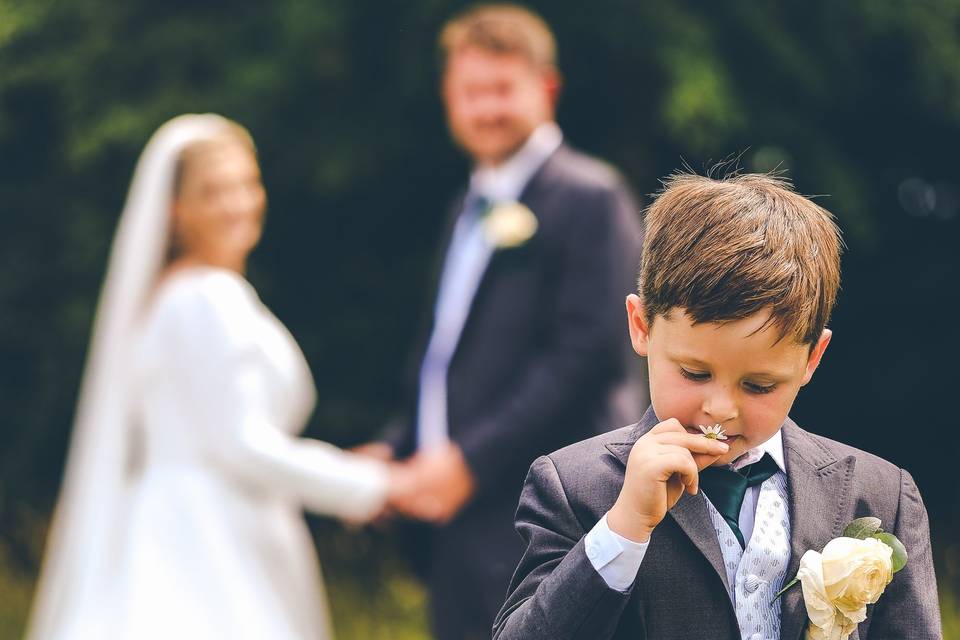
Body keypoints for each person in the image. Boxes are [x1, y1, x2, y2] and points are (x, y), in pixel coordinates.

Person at [494, 172, 941, 639]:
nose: (721, 408)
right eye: (695, 373)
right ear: (642, 326)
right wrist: (623, 528)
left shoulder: (880, 496)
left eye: (759, 385)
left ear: (813, 359)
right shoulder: (572, 487)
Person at [27, 114, 401, 640]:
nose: (239, 203)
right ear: (176, 210)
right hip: (212, 538)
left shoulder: (163, 298)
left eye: (246, 184)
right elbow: (241, 444)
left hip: (162, 524)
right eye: (214, 191)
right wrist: (369, 484)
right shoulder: (209, 298)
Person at [356, 5, 646, 639]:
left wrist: (467, 463)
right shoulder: (466, 205)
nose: (484, 108)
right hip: (457, 524)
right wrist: (399, 444)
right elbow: (445, 353)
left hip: (544, 512)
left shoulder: (590, 196)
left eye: (501, 90)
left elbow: (586, 353)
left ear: (546, 88)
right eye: (469, 92)